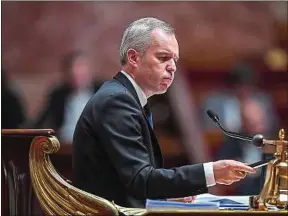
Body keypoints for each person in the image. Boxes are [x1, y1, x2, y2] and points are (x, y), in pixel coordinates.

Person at [72, 17, 256, 208]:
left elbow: (131, 180)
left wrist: (167, 194)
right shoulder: (117, 101)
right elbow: (141, 180)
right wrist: (211, 172)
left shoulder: (126, 97)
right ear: (134, 58)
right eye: (163, 58)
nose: (173, 67)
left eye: (174, 60)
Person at [32, 51, 102, 143]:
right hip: (63, 145)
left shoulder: (102, 91)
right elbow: (41, 120)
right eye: (72, 69)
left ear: (89, 70)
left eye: (80, 67)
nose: (75, 72)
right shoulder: (58, 94)